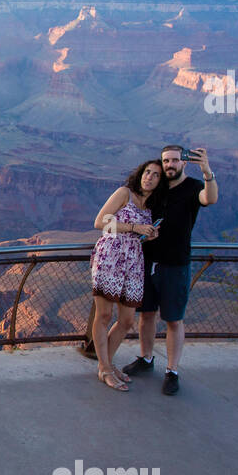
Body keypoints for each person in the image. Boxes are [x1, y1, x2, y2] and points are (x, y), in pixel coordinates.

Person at [125, 145, 219, 395]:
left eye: (175, 160)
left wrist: (207, 170)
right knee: (146, 315)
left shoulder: (194, 187)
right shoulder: (159, 186)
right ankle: (146, 358)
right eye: (166, 161)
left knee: (174, 320)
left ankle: (172, 371)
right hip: (147, 261)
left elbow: (210, 199)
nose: (169, 165)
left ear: (184, 163)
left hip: (175, 264)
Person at [90, 160, 164, 390]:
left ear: (161, 182)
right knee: (104, 315)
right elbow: (100, 222)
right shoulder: (125, 193)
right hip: (110, 256)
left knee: (127, 320)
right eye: (147, 172)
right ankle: (105, 368)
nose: (149, 177)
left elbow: (138, 236)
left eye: (156, 175)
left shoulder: (151, 205)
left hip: (133, 262)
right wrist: (134, 228)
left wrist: (148, 235)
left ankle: (107, 364)